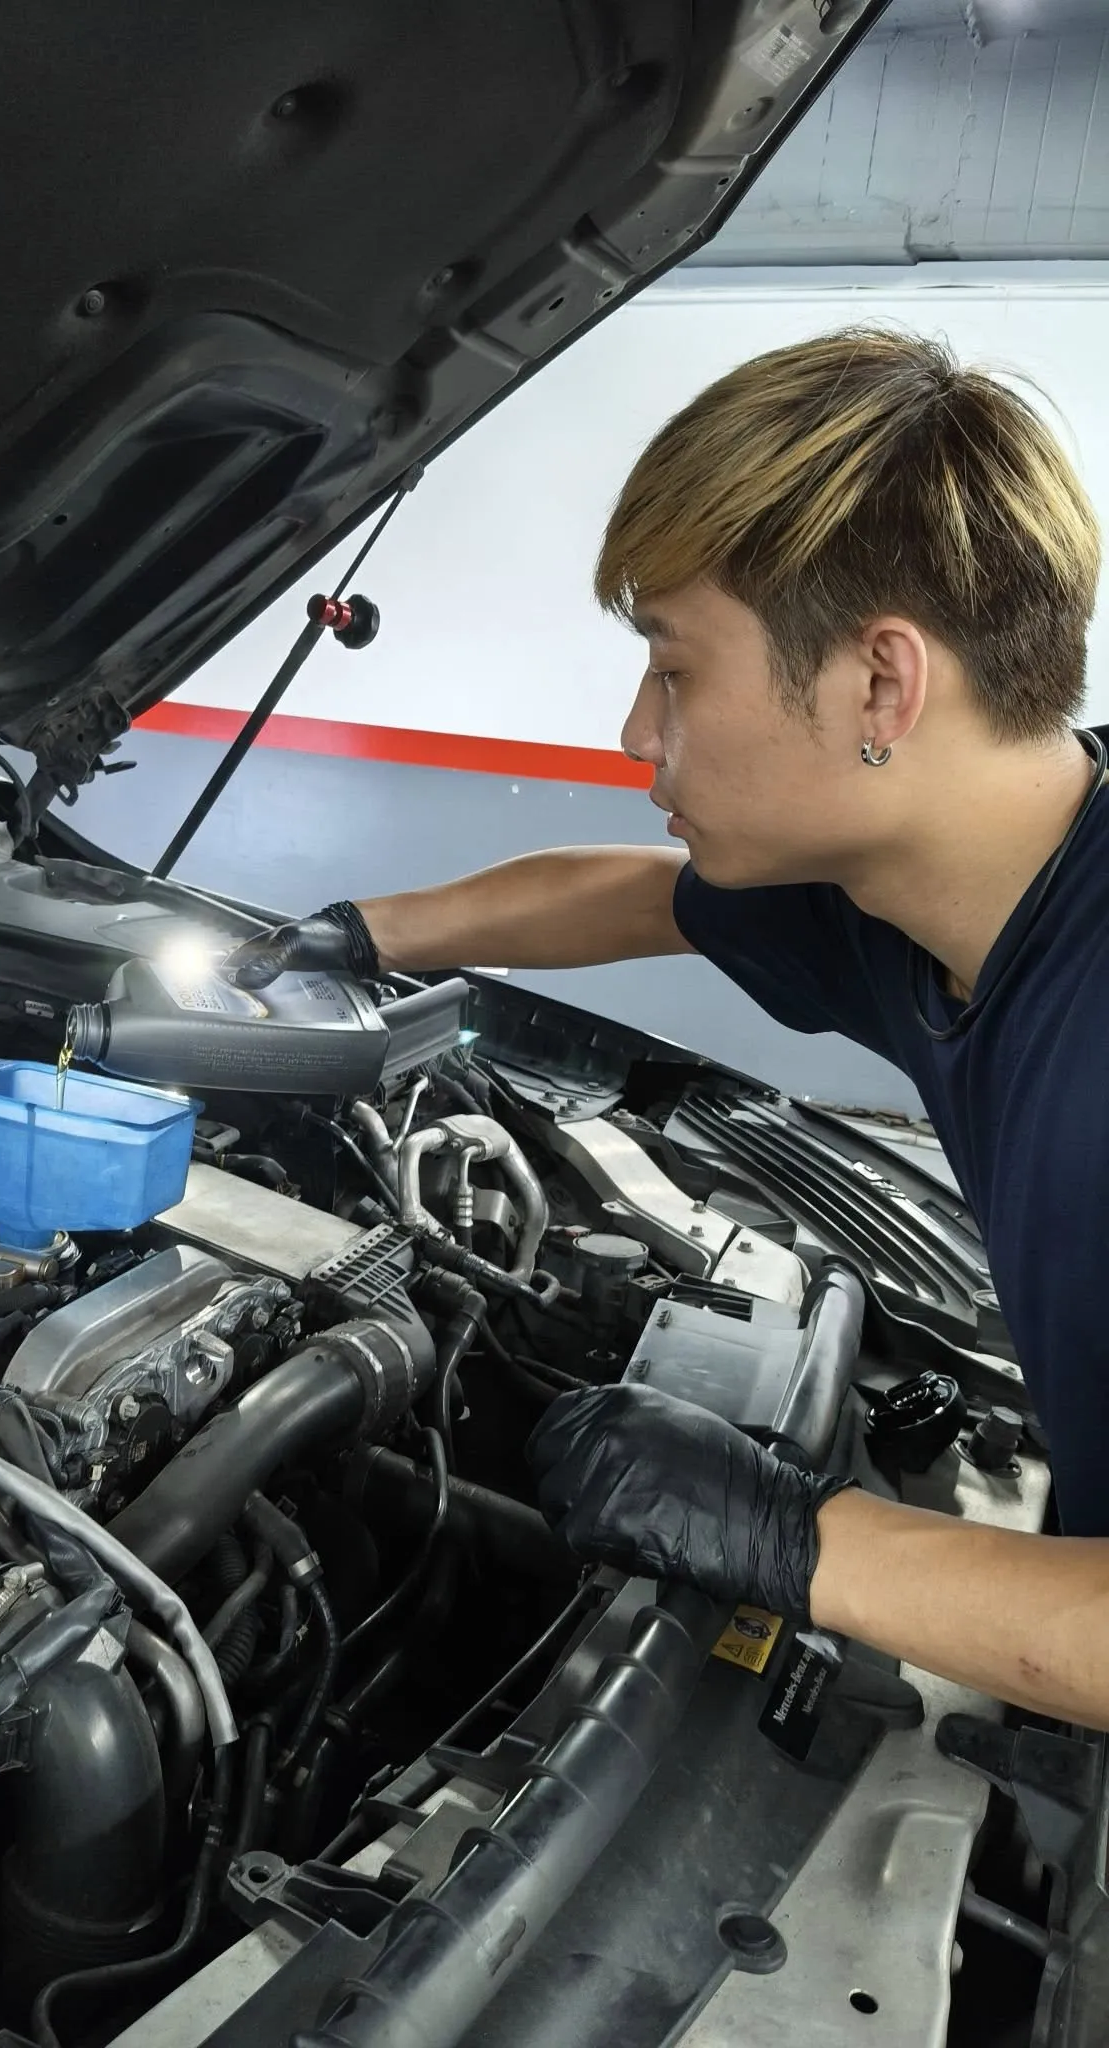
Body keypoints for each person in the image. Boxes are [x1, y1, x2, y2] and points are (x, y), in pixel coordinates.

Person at [222, 327, 1109, 1732]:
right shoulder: (926, 895)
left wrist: (801, 1540)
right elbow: (637, 896)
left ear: (883, 685)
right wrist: (365, 933)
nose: (638, 730)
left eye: (675, 668)